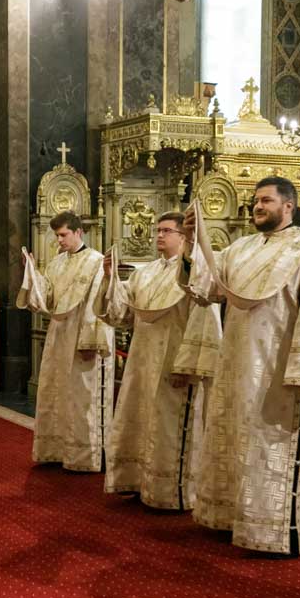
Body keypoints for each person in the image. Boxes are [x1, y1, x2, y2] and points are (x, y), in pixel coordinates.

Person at [184, 178, 300, 552]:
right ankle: (230, 516)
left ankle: (275, 531)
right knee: (235, 441)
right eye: (255, 200)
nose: (257, 206)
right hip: (236, 362)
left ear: (288, 206)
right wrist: (194, 247)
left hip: (279, 369)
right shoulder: (241, 248)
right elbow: (208, 288)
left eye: (266, 201)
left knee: (273, 448)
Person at [98, 212, 217, 512]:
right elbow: (121, 316)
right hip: (141, 361)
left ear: (183, 236)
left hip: (174, 360)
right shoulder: (144, 273)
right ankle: (140, 482)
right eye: (158, 231)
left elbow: (205, 317)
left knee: (169, 427)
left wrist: (188, 365)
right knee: (141, 421)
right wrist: (110, 279)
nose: (159, 236)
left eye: (167, 231)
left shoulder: (196, 274)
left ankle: (171, 492)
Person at [18, 212, 113, 472]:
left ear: (78, 232)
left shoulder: (95, 262)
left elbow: (99, 305)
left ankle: (84, 456)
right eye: (56, 235)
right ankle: (57, 450)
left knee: (82, 397)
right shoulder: (57, 263)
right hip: (59, 337)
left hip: (83, 340)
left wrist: (91, 341)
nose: (59, 240)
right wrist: (32, 272)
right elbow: (46, 298)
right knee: (57, 393)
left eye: (63, 235)